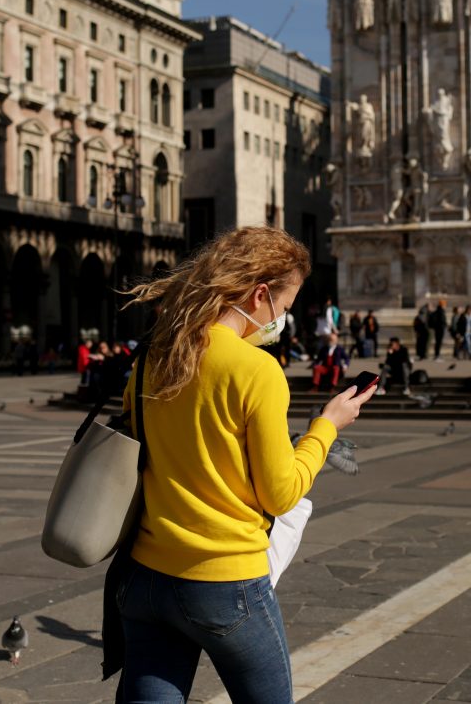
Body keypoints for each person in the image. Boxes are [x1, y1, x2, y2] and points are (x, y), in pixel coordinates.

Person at [111, 226, 374, 702]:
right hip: (224, 582)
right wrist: (327, 426)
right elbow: (280, 492)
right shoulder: (256, 370)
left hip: (147, 575)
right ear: (259, 295)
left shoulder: (155, 354)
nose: (282, 320)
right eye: (284, 307)